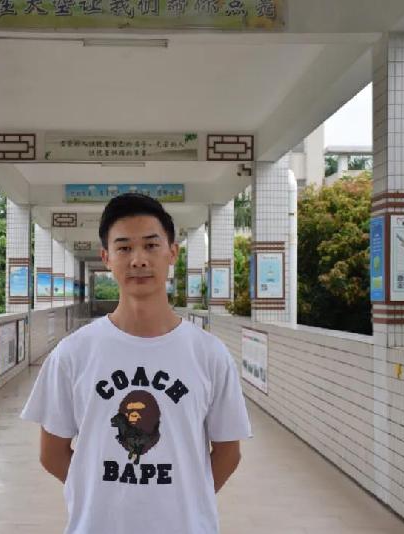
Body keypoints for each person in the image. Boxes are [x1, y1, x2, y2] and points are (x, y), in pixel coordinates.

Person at [20, 193, 252, 533]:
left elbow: (229, 453)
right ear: (106, 258)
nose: (139, 260)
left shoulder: (209, 355)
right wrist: (100, 496)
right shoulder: (73, 353)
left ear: (172, 253)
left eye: (151, 245)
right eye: (124, 248)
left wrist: (184, 502)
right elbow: (51, 453)